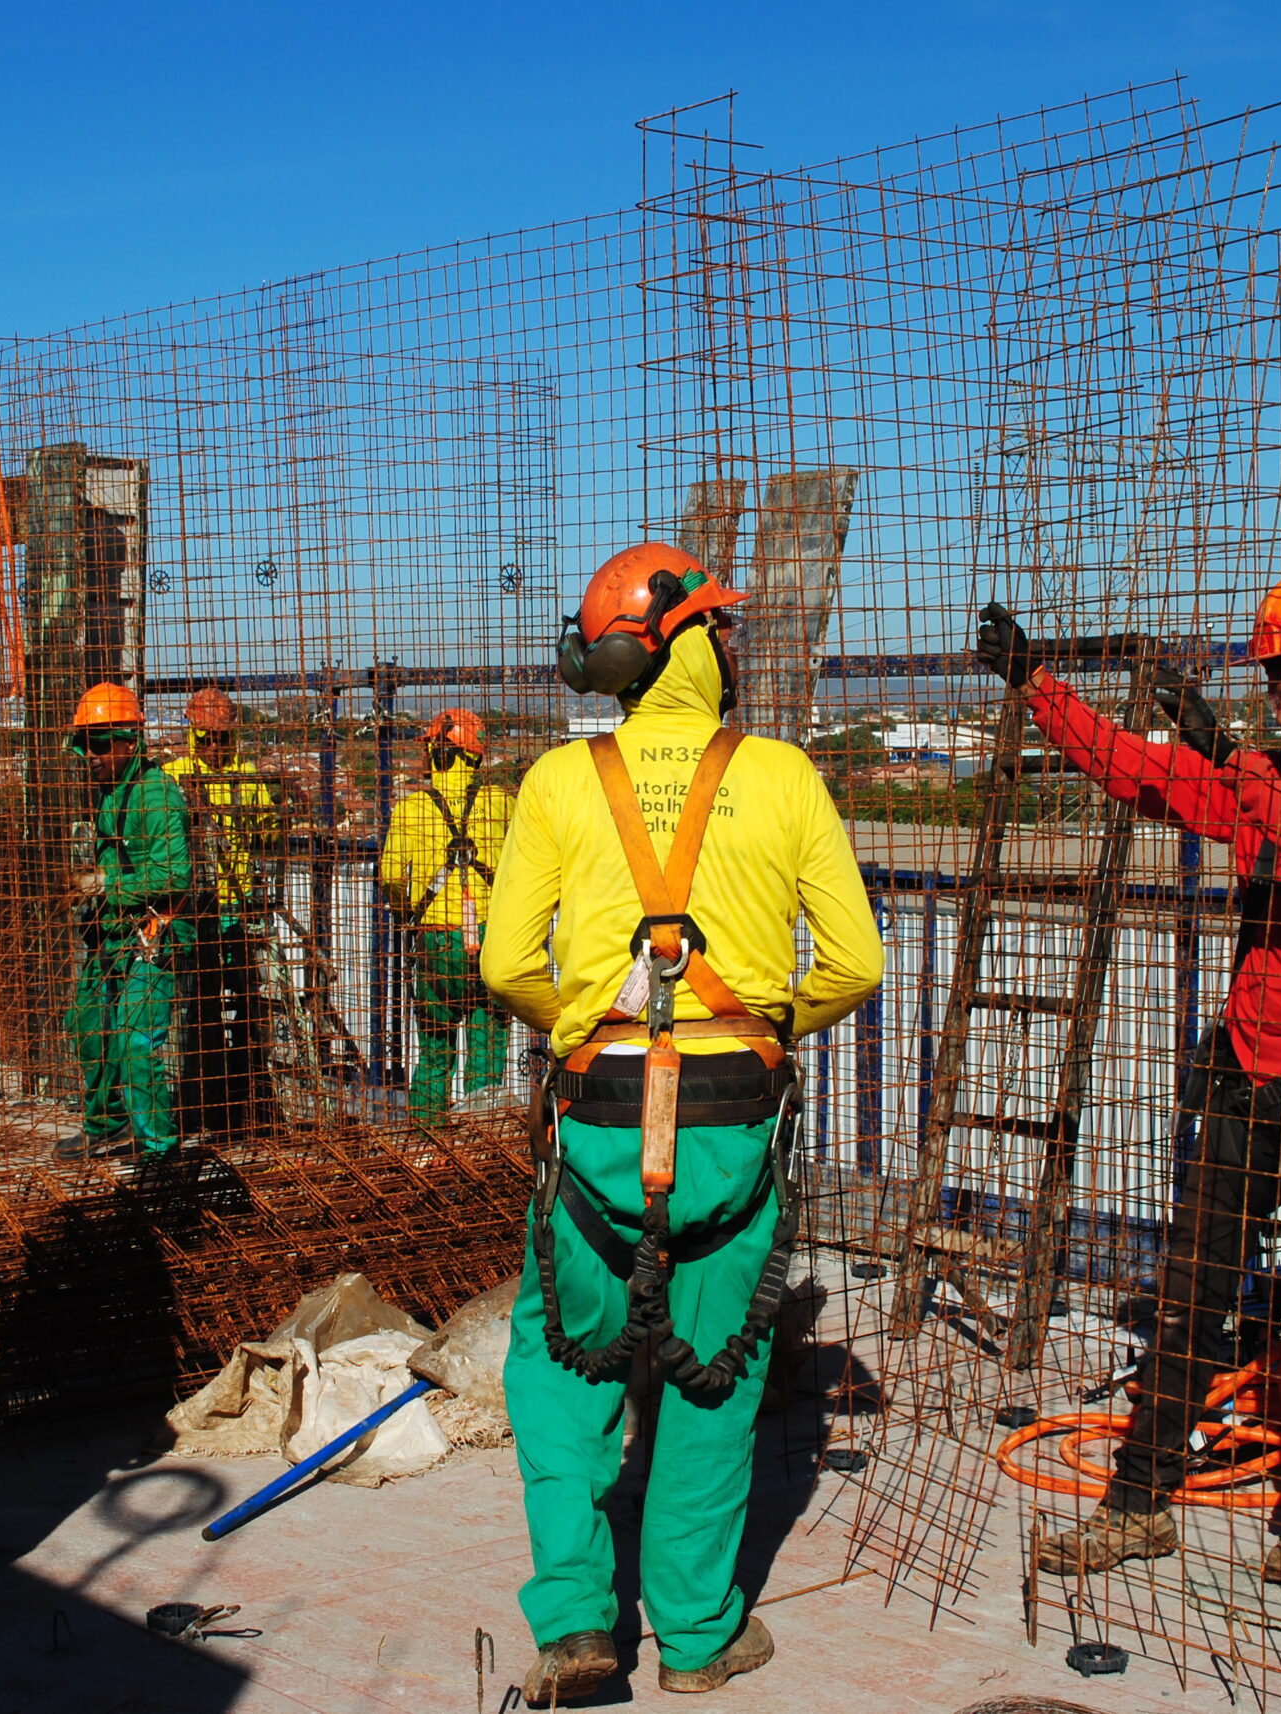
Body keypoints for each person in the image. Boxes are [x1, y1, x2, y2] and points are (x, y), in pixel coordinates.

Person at [979, 570, 1281, 1589]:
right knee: (1191, 1300)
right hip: (1242, 1084)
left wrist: (1234, 764)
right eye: (1273, 687)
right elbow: (1128, 770)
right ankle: (1138, 1500)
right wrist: (1038, 684)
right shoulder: (1260, 780)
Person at [482, 542, 885, 1702]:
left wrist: (582, 1026)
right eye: (724, 627)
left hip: (597, 1117)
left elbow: (510, 961)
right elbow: (854, 961)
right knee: (714, 1378)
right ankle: (698, 1640)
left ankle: (576, 1626)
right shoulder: (782, 775)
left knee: (562, 1376)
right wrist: (762, 1023)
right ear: (692, 639)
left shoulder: (563, 781)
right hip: (731, 1126)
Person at [59, 682, 193, 1162]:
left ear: (128, 743)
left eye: (99, 745)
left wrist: (104, 887)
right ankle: (108, 1126)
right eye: (85, 747)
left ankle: (159, 1149)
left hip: (156, 932)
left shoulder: (156, 795)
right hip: (112, 930)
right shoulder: (111, 793)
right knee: (89, 1023)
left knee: (138, 1040)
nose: (90, 756)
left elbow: (175, 874)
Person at [377, 707, 515, 1123]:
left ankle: (428, 1136)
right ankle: (483, 1134)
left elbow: (391, 880)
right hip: (490, 936)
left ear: (438, 755)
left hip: (435, 939)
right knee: (487, 1038)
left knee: (436, 1046)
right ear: (473, 756)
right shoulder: (501, 804)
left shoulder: (410, 809)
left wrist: (412, 914)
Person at [162, 686, 281, 1135]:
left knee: (248, 1009)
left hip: (239, 907)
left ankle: (241, 1107)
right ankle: (200, 1107)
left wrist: (268, 817)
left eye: (221, 737)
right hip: (194, 911)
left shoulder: (245, 774)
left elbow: (268, 836)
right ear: (193, 731)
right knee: (198, 1009)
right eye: (207, 736)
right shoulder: (172, 775)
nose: (215, 745)